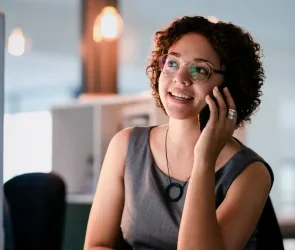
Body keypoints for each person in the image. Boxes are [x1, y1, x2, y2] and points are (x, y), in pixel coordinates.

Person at [84, 15, 274, 250]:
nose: (180, 78)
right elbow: (96, 246)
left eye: (200, 70)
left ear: (229, 86)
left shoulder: (251, 173)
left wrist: (204, 160)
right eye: (172, 63)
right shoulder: (124, 146)